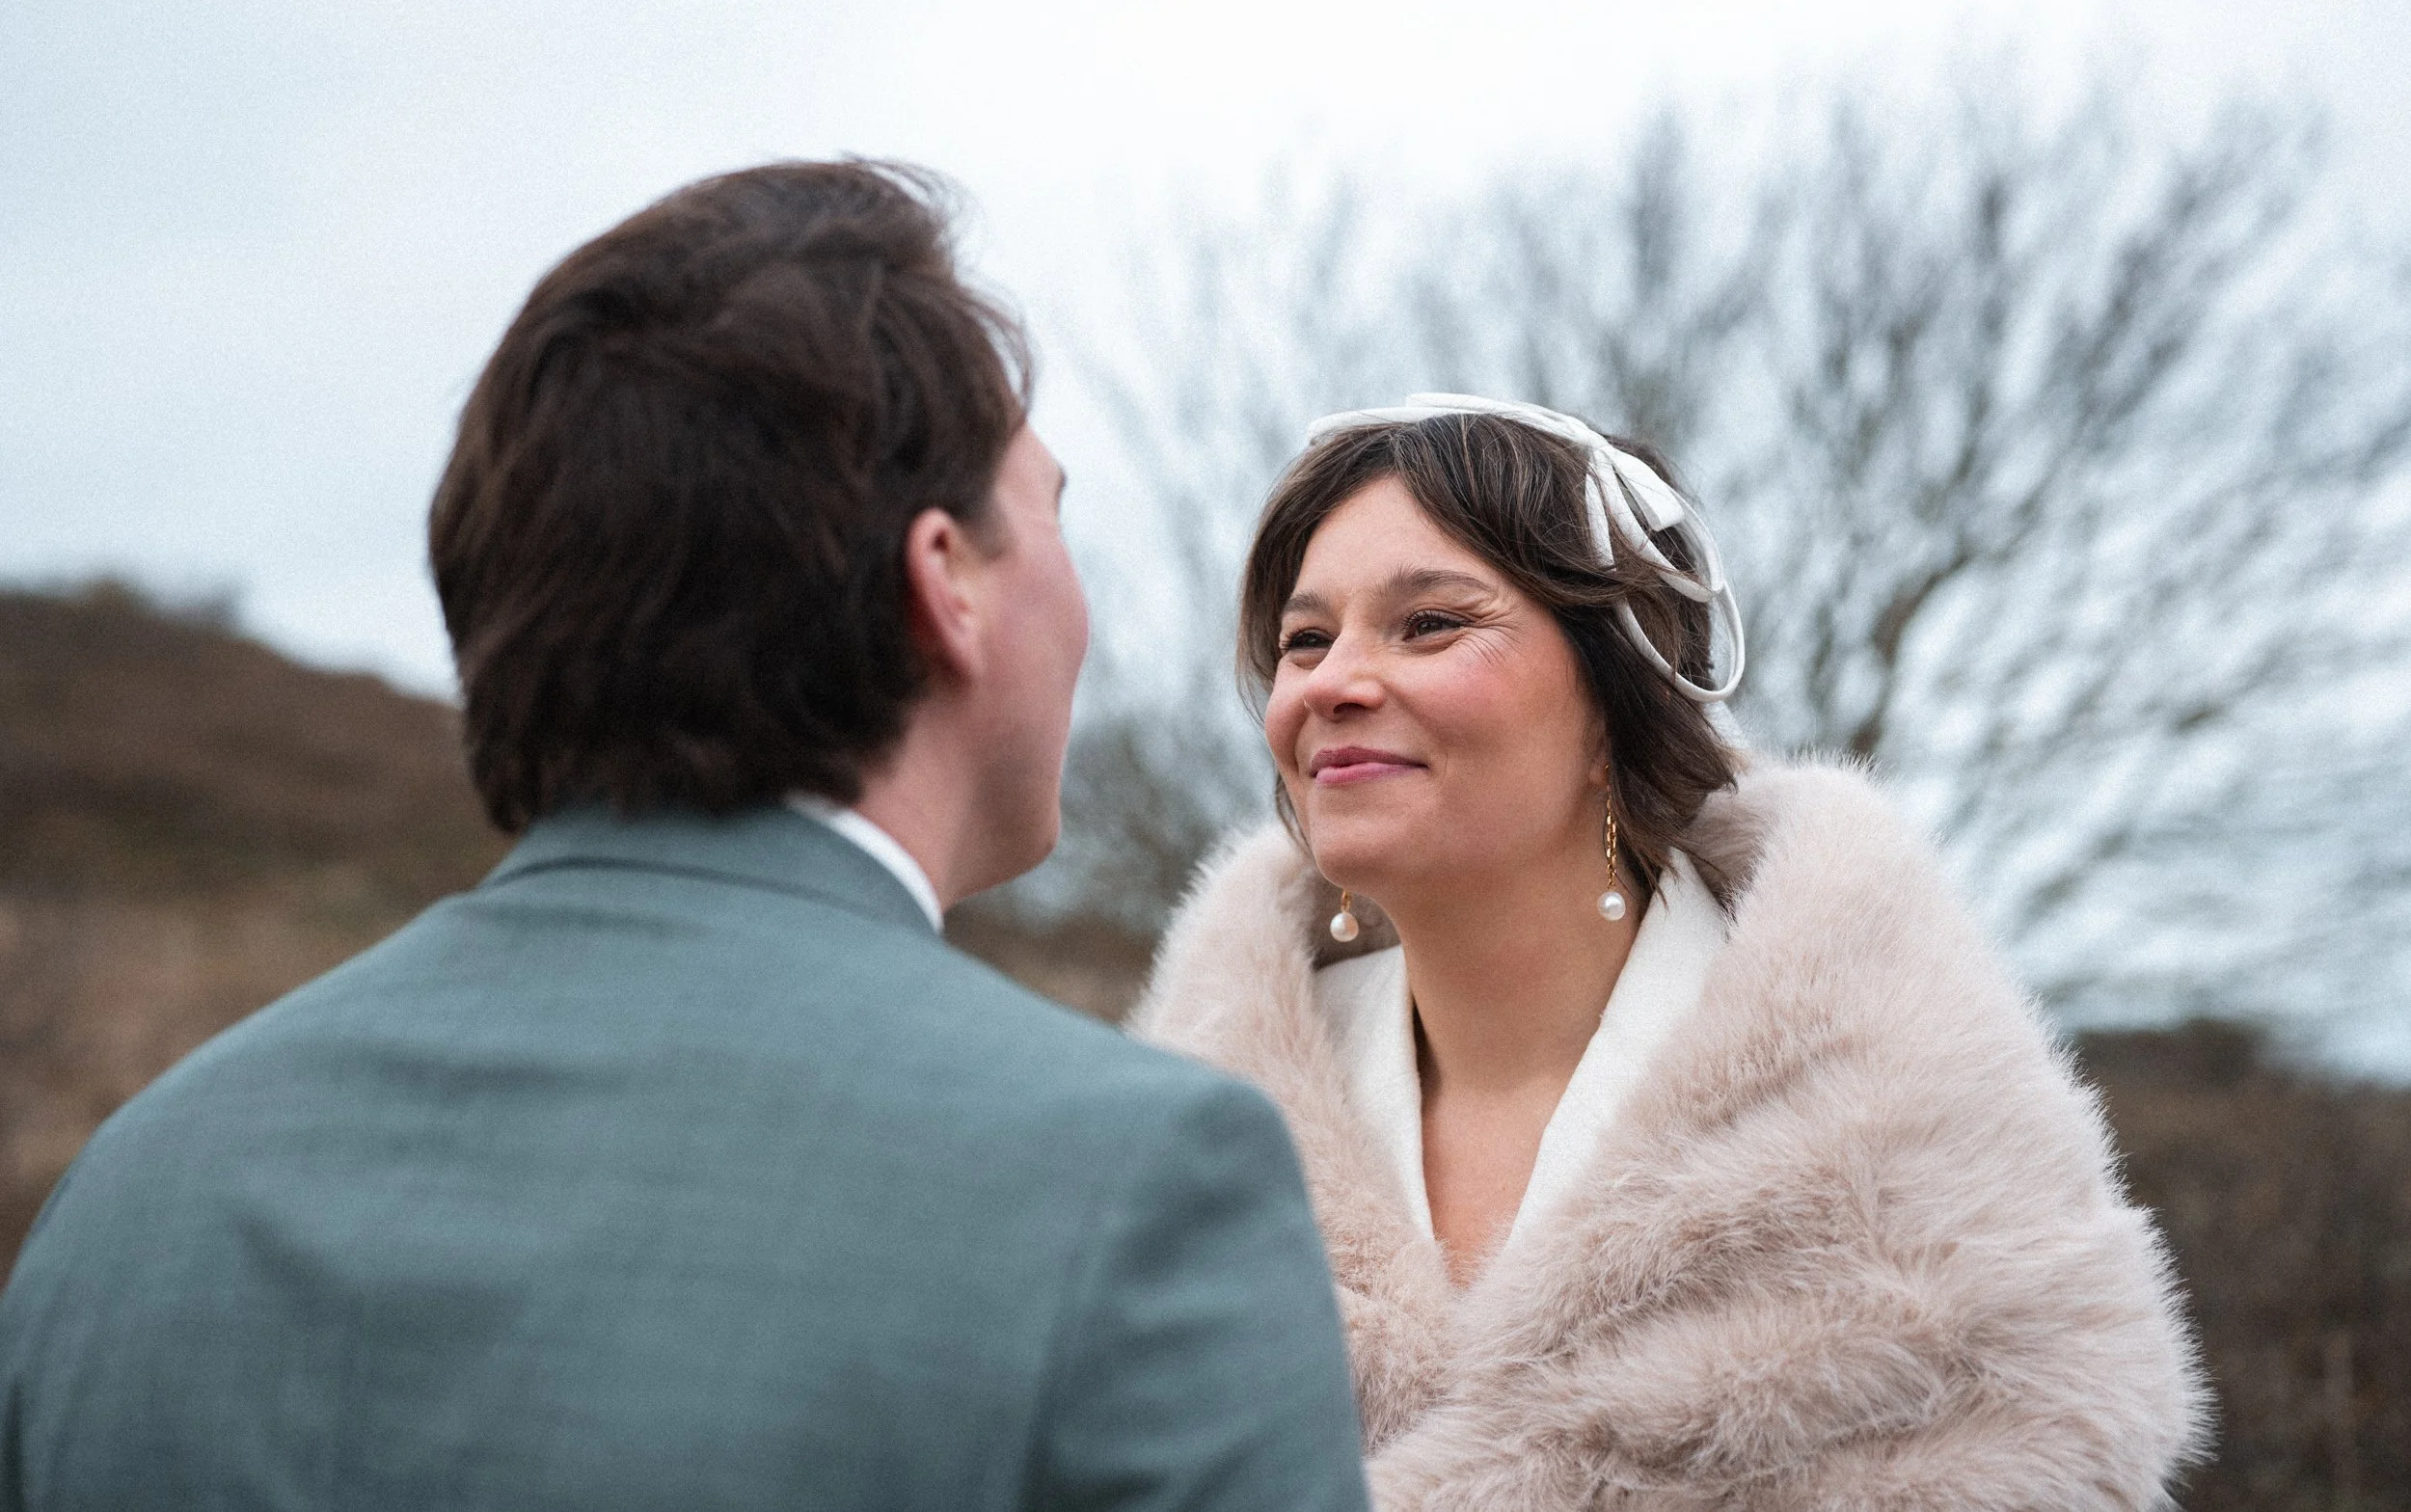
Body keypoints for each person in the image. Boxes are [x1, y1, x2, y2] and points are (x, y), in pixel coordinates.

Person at [0, 162, 1368, 1512]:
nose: (1081, 602)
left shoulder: (133, 1194)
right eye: (1052, 513)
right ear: (944, 579)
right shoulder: (1135, 1187)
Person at [1133, 393, 2208, 1508]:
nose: (1330, 683)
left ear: (1613, 700)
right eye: (1305, 639)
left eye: (1430, 623)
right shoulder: (1192, 1139)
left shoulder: (1919, 1129)